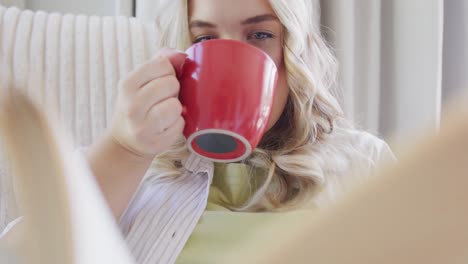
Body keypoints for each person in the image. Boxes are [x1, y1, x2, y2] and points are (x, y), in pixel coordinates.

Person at [1, 0, 394, 263]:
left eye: (260, 35)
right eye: (205, 38)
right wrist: (124, 150)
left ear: (294, 52)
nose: (231, 57)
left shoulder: (363, 163)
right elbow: (22, 255)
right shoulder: (135, 168)